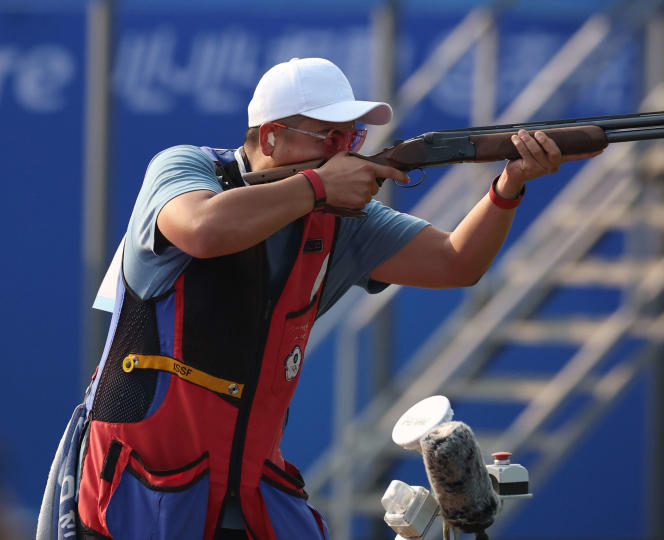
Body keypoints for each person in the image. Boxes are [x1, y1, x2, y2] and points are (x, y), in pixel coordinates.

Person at [38, 57, 599, 540]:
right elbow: (202, 229)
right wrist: (318, 187)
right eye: (328, 136)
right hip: (143, 492)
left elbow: (457, 262)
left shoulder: (338, 220)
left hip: (251, 495)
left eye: (351, 138)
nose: (344, 150)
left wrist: (508, 187)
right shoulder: (186, 167)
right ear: (273, 135)